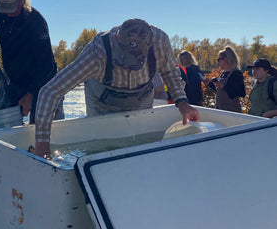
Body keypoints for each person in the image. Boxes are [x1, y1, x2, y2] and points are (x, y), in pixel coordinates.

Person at [34, 18, 199, 158]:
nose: (129, 69)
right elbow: (50, 92)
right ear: (114, 39)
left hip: (141, 98)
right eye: (124, 60)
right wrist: (42, 145)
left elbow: (170, 72)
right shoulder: (97, 53)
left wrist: (182, 102)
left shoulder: (160, 43)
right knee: (100, 148)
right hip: (101, 102)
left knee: (140, 148)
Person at [0, 0, 63, 123]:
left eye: (11, 8)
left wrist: (31, 94)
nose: (7, 13)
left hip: (45, 81)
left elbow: (46, 65)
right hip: (15, 80)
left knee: (42, 129)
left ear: (21, 0)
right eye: (4, 9)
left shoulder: (36, 21)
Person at [206, 46, 245, 113]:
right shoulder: (223, 73)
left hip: (232, 112)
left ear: (226, 59)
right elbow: (219, 91)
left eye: (219, 59)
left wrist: (223, 87)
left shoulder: (236, 74)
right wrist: (210, 84)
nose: (218, 62)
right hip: (220, 110)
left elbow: (241, 92)